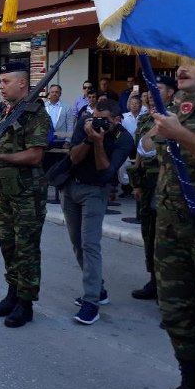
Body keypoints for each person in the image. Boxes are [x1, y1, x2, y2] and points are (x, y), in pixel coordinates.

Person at [142, 65, 195, 389]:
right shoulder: (174, 110)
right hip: (171, 225)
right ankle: (190, 384)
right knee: (177, 309)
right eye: (179, 62)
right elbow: (152, 152)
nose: (181, 68)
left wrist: (183, 135)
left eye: (193, 61)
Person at [0, 62, 51, 328]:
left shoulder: (36, 114)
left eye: (6, 81)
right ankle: (11, 294)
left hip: (27, 193)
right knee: (8, 244)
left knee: (26, 248)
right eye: (1, 81)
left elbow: (35, 155)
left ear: (22, 83)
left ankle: (26, 303)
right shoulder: (7, 112)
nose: (1, 86)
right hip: (6, 189)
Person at [62, 98, 134, 325]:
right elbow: (73, 157)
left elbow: (106, 170)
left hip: (96, 190)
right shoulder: (85, 123)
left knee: (90, 243)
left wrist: (99, 142)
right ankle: (99, 289)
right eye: (95, 117)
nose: (98, 123)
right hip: (71, 186)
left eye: (104, 120)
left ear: (116, 119)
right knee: (76, 242)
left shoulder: (124, 138)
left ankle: (91, 301)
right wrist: (88, 138)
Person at [127, 76, 176, 300]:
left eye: (159, 88)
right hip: (147, 185)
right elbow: (139, 153)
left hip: (167, 186)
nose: (151, 93)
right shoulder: (147, 119)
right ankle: (154, 280)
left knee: (166, 239)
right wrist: (136, 183)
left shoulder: (176, 118)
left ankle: (170, 289)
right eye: (150, 89)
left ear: (171, 93)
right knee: (149, 233)